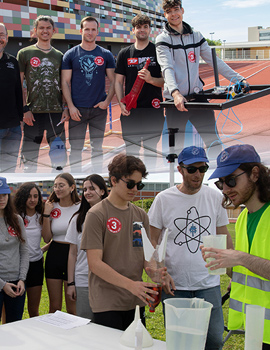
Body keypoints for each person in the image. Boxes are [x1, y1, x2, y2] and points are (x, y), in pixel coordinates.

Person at [148, 145, 233, 350]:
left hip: (208, 284)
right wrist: (159, 271)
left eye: (202, 169)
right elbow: (152, 241)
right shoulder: (163, 199)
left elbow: (224, 235)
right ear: (180, 170)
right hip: (175, 287)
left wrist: (234, 274)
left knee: (213, 341)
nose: (198, 174)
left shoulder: (215, 197)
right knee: (181, 344)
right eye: (192, 169)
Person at [155, 0, 248, 157]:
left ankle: (219, 177)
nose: (173, 14)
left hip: (198, 98)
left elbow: (215, 62)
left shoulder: (196, 36)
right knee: (176, 149)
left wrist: (239, 79)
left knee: (213, 142)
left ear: (182, 10)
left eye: (176, 10)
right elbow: (167, 68)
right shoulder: (163, 39)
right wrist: (176, 93)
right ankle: (180, 180)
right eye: (169, 11)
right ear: (165, 15)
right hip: (176, 103)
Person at [81, 154, 161, 330]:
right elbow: (94, 263)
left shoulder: (140, 215)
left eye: (139, 185)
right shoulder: (97, 214)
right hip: (107, 301)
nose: (135, 189)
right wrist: (131, 285)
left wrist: (156, 273)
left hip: (135, 300)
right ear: (114, 181)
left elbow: (145, 255)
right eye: (130, 183)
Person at [203, 144, 270, 349]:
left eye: (231, 180)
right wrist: (224, 260)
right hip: (255, 329)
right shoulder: (242, 219)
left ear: (255, 174)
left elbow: (245, 261)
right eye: (220, 183)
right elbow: (244, 273)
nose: (225, 189)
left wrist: (239, 257)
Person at [61, 16, 115, 172]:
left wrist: (107, 102)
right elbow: (65, 82)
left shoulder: (106, 54)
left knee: (97, 148)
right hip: (77, 110)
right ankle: (76, 180)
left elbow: (114, 81)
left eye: (93, 29)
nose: (90, 32)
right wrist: (70, 106)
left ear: (97, 31)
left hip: (99, 109)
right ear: (81, 31)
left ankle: (96, 179)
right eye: (87, 29)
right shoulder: (70, 54)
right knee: (75, 149)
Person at [17, 15, 68, 172]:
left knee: (59, 158)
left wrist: (65, 107)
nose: (45, 31)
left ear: (54, 31)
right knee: (30, 156)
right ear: (35, 30)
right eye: (41, 28)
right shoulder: (24, 53)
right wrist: (24, 109)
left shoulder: (60, 56)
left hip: (56, 113)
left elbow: (64, 83)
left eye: (48, 28)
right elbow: (18, 84)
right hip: (33, 114)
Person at [115, 14, 164, 163]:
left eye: (145, 27)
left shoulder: (158, 51)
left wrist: (150, 79)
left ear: (150, 30)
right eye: (138, 27)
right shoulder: (125, 53)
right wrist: (121, 103)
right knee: (131, 151)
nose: (142, 30)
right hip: (131, 111)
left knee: (151, 150)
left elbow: (165, 81)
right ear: (133, 30)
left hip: (153, 109)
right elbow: (118, 82)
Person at [65, 174, 108, 319]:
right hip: (84, 279)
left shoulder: (111, 217)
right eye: (84, 189)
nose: (87, 192)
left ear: (102, 191)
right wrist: (71, 283)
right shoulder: (77, 219)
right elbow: (72, 253)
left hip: (108, 280)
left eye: (92, 188)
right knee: (85, 323)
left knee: (106, 326)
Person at [43, 173, 80, 314]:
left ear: (72, 187)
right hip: (54, 255)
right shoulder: (52, 207)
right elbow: (46, 238)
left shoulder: (81, 207)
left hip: (72, 255)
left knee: (72, 308)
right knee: (54, 307)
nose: (57, 189)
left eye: (61, 185)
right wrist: (46, 214)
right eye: (55, 186)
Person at [14, 183, 46, 317]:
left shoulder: (42, 216)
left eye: (35, 196)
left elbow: (51, 237)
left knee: (33, 310)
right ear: (22, 197)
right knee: (14, 311)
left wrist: (41, 251)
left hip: (35, 265)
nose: (32, 200)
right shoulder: (15, 217)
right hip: (18, 266)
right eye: (29, 196)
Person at [0, 177, 29, 323]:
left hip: (17, 282)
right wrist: (2, 285)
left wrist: (22, 279)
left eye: (4, 195)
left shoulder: (16, 219)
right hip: (1, 281)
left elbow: (24, 251)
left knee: (15, 325)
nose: (1, 199)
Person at [0, 23, 23, 172]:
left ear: (7, 38)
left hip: (13, 127)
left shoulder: (12, 61)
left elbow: (18, 91)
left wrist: (20, 118)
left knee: (9, 169)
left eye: (1, 35)